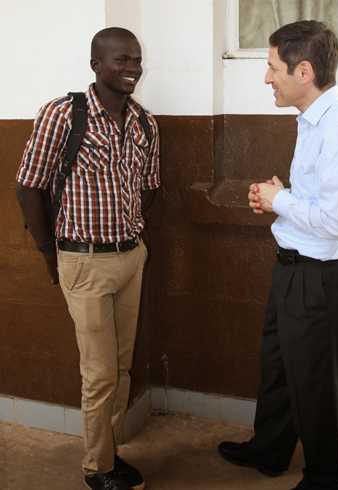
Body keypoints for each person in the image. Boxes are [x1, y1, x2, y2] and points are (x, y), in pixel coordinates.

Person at [218, 21, 338, 490]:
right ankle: (270, 450)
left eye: (272, 69)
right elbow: (321, 202)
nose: (267, 79)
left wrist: (278, 201)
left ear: (303, 71)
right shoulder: (313, 121)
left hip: (320, 280)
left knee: (319, 388)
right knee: (280, 371)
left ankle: (324, 478)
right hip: (294, 270)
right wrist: (282, 196)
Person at [16, 27, 160, 490]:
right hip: (84, 262)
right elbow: (28, 187)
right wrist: (48, 253)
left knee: (120, 368)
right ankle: (97, 470)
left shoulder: (144, 122)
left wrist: (128, 237)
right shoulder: (63, 114)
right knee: (99, 375)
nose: (132, 68)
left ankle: (109, 452)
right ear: (95, 64)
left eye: (136, 59)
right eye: (121, 59)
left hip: (131, 259)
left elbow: (149, 188)